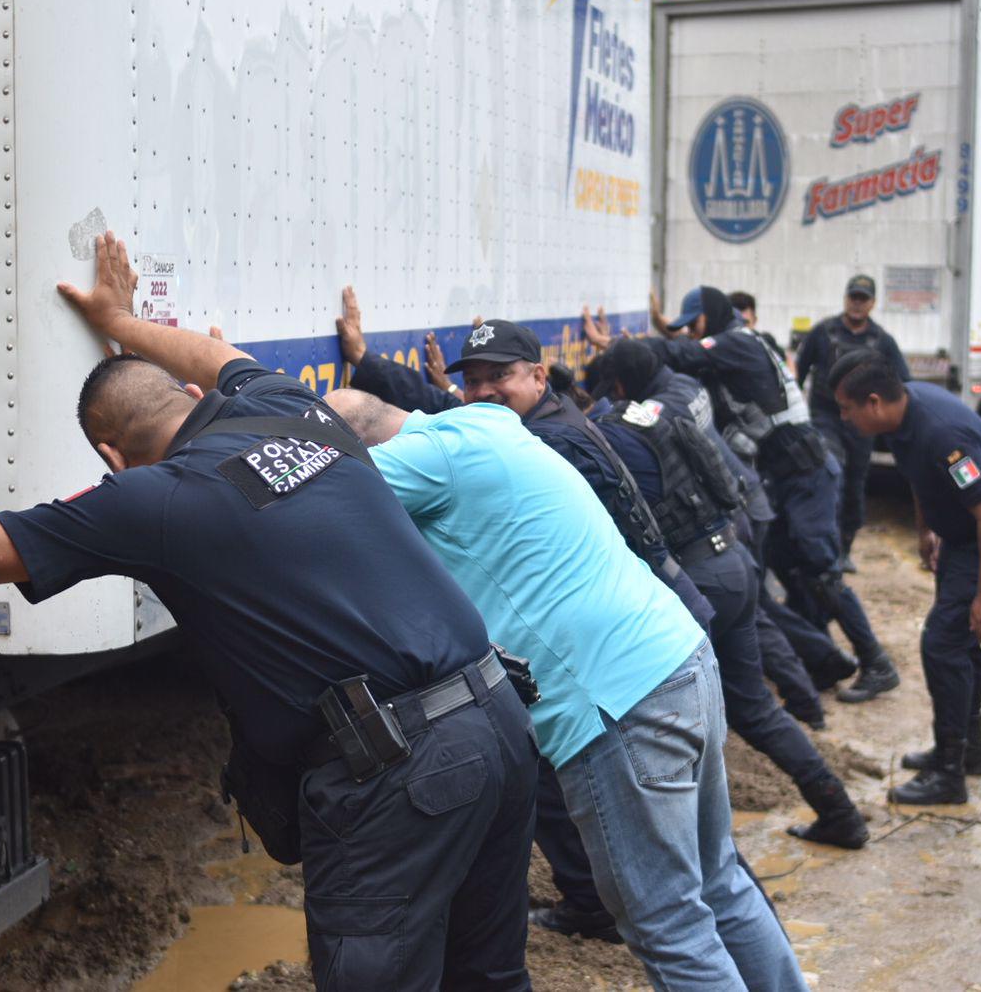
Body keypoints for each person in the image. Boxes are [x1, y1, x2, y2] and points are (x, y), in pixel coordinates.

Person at [0, 233, 540, 991]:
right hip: (501, 721)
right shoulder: (289, 406)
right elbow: (218, 357)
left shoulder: (155, 500)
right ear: (195, 400)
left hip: (403, 773)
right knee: (489, 978)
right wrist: (121, 326)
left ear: (111, 458)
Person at [323, 388, 810, 992]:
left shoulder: (418, 461)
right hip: (680, 658)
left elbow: (317, 497)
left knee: (668, 923)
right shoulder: (485, 425)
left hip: (616, 703)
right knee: (721, 884)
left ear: (363, 447)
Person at [335, 288, 715, 942]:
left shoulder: (549, 439)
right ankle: (592, 901)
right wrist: (370, 362)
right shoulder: (518, 425)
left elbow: (340, 482)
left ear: (540, 376)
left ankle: (595, 906)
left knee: (671, 921)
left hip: (620, 680)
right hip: (665, 648)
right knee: (714, 886)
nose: (483, 391)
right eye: (473, 379)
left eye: (500, 377)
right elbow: (430, 416)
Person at [592, 338, 869, 849]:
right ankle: (839, 810)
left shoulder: (605, 436)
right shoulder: (663, 411)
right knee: (755, 709)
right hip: (732, 559)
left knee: (670, 717)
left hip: (700, 581)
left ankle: (699, 855)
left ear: (614, 388)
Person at [587, 287, 900, 704]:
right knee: (789, 569)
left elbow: (684, 354)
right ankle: (824, 658)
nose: (691, 334)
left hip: (807, 471)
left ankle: (875, 661)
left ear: (712, 317)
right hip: (787, 475)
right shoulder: (732, 346)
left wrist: (620, 347)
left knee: (822, 571)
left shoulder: (735, 342)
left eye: (694, 323)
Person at [828, 350, 981, 805]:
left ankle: (949, 775)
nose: (844, 419)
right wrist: (927, 529)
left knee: (942, 643)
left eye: (847, 409)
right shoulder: (902, 419)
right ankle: (965, 754)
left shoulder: (942, 434)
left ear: (873, 403)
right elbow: (919, 478)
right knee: (958, 642)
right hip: (964, 537)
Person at [794, 275, 911, 571]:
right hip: (826, 415)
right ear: (845, 299)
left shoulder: (882, 340)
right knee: (832, 472)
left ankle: (845, 547)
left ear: (872, 303)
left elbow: (903, 383)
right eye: (853, 297)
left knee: (856, 483)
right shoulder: (824, 332)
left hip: (862, 422)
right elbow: (799, 372)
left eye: (863, 298)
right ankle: (827, 547)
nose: (857, 304)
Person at [728, 291, 787, 364]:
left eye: (744, 323)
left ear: (754, 320)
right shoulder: (717, 349)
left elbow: (785, 366)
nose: (740, 330)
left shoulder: (765, 343)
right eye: (734, 324)